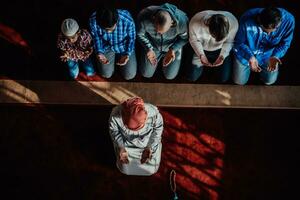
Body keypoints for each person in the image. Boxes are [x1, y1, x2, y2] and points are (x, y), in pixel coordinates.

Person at [233, 7, 295, 85]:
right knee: (239, 82)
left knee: (269, 81)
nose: (268, 34)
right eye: (264, 30)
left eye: (271, 31)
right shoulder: (246, 18)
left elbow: (285, 44)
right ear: (259, 21)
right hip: (246, 54)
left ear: (279, 24)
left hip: (268, 55)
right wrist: (250, 57)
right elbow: (238, 43)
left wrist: (276, 56)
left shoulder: (289, 21)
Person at [109, 97, 163, 176]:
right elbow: (114, 132)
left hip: (148, 143)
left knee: (151, 169)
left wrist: (149, 147)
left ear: (146, 117)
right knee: (125, 169)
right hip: (126, 144)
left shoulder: (154, 114)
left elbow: (157, 132)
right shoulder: (115, 115)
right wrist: (121, 148)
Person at [137, 3, 189, 80]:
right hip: (153, 45)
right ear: (153, 18)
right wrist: (148, 48)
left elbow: (184, 38)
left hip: (172, 46)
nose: (160, 33)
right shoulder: (144, 16)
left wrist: (173, 49)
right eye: (157, 30)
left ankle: (176, 52)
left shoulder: (182, 21)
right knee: (146, 74)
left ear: (172, 23)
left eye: (164, 31)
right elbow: (140, 34)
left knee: (170, 76)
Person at [188, 11, 238, 83]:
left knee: (223, 79)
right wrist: (201, 55)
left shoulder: (233, 22)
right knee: (191, 77)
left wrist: (222, 56)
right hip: (201, 47)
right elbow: (194, 40)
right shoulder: (195, 23)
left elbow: (229, 42)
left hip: (220, 49)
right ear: (208, 27)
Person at [89, 7, 137, 80]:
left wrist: (127, 54)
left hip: (123, 46)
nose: (108, 32)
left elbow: (131, 38)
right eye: (105, 29)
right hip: (106, 46)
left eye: (111, 28)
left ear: (117, 21)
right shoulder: (93, 20)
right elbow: (96, 37)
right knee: (106, 74)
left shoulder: (127, 20)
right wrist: (99, 52)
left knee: (129, 75)